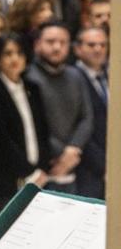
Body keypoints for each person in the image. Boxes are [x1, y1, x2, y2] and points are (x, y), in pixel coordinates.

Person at [0, 32, 52, 225]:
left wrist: (42, 168)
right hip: (4, 180)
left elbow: (42, 131)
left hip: (37, 176)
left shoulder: (32, 88)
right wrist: (28, 172)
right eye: (8, 54)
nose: (14, 59)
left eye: (19, 53)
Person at [25, 21, 93, 195]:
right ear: (37, 44)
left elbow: (86, 117)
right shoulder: (28, 78)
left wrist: (73, 149)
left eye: (63, 42)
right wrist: (61, 155)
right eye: (50, 41)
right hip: (39, 170)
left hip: (72, 167)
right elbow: (33, 123)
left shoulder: (76, 75)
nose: (57, 47)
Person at [73, 26, 108, 199]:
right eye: (92, 44)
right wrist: (103, 166)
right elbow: (77, 125)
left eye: (103, 45)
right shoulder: (72, 77)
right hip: (87, 167)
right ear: (78, 49)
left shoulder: (110, 75)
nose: (98, 49)